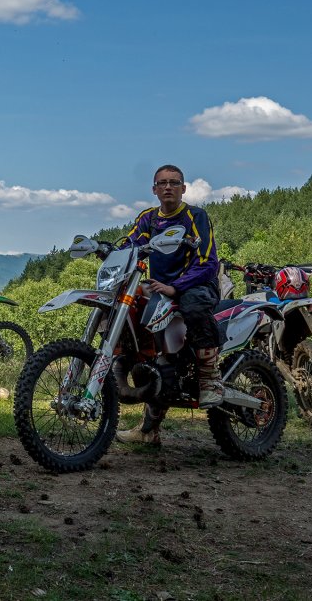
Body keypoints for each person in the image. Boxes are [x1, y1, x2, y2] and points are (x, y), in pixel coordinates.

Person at [115, 164, 222, 445]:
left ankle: (210, 378)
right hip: (160, 289)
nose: (168, 187)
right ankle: (148, 430)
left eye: (174, 183)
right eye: (162, 183)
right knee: (143, 331)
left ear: (183, 188)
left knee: (193, 305)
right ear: (154, 189)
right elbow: (132, 243)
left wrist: (177, 286)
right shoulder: (148, 219)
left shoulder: (195, 216)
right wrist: (110, 253)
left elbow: (208, 262)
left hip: (197, 285)